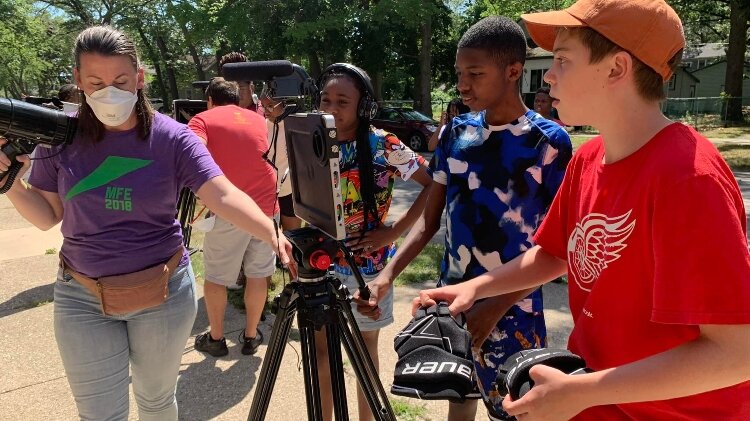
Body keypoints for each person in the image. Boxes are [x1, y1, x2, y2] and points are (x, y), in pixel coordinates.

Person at [413, 1, 750, 420]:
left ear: (616, 68)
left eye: (562, 61)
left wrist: (581, 391)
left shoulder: (688, 178)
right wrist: (475, 289)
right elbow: (555, 253)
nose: (549, 76)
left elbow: (737, 353)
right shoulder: (589, 159)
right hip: (598, 397)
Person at [0, 26, 294, 420]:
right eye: (96, 82)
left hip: (163, 294)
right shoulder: (58, 138)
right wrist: (11, 185)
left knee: (156, 402)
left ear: (140, 78)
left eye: (121, 80)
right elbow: (47, 217)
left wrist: (272, 232)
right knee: (99, 413)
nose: (110, 91)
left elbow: (221, 194)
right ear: (78, 81)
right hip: (80, 297)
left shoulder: (173, 138)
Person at [371, 16, 572, 420]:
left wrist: (495, 307)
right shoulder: (454, 135)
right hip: (454, 304)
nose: (463, 85)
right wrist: (387, 274)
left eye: (475, 74)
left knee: (515, 409)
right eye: (460, 73)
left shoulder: (548, 143)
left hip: (515, 308)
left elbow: (555, 248)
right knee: (458, 402)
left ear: (513, 71)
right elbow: (430, 223)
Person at [315, 63, 432, 421]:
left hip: (369, 268)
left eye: (342, 101)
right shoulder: (313, 139)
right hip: (321, 264)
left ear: (363, 106)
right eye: (325, 99)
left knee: (365, 352)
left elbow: (433, 183)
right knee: (322, 352)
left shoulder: (383, 144)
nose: (331, 109)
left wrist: (394, 231)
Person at [188, 78, 279, 357]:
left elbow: (191, 153)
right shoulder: (257, 119)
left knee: (216, 277)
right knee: (258, 274)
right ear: (236, 99)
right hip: (266, 209)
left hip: (230, 208)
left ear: (210, 100)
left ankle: (216, 338)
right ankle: (251, 336)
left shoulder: (201, 119)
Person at [259, 91, 302, 231]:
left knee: (292, 240)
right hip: (268, 192)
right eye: (263, 106)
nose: (266, 111)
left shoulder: (297, 126)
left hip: (291, 192)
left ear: (285, 104)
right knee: (271, 242)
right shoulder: (260, 126)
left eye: (270, 106)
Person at [218, 52, 264, 116]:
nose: (234, 94)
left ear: (252, 87)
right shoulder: (219, 115)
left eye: (240, 87)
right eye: (229, 89)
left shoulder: (267, 114)